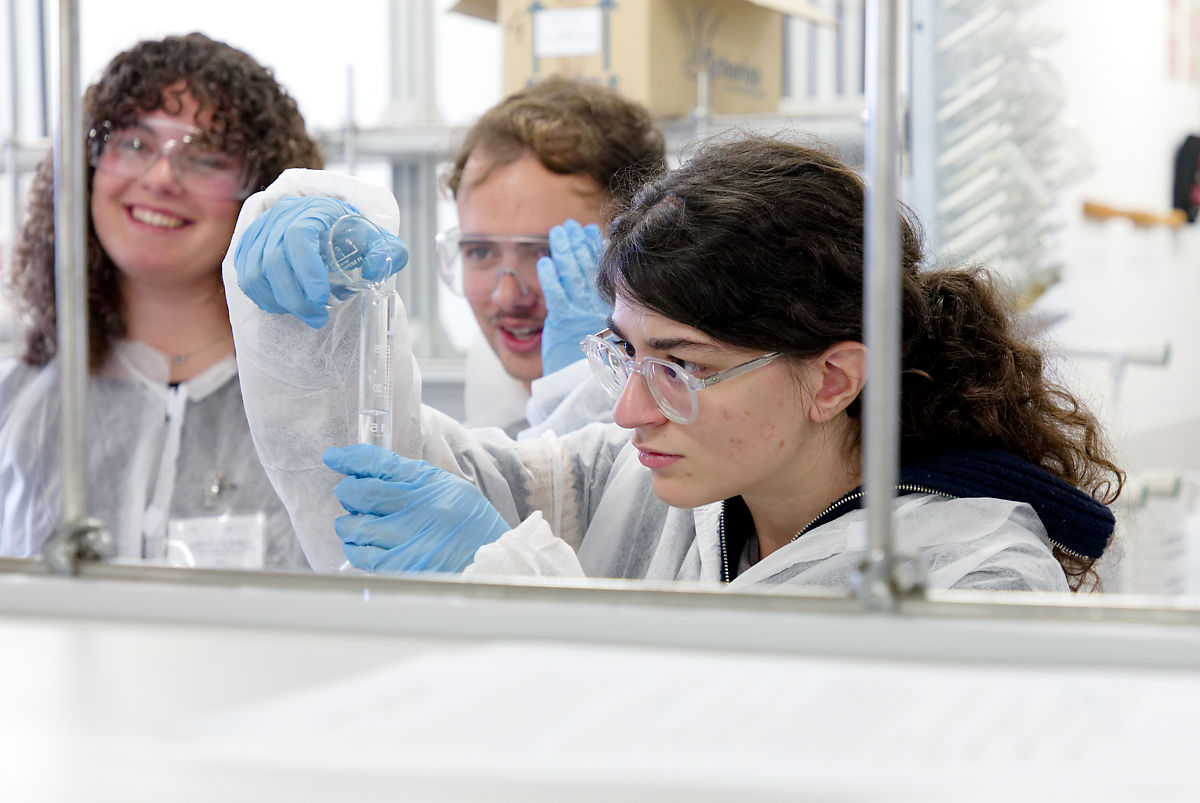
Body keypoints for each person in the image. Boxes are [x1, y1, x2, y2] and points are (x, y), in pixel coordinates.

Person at [227, 134, 1123, 590]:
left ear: (832, 379)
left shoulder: (970, 577)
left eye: (681, 365)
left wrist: (519, 583)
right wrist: (318, 327)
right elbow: (392, 486)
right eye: (626, 352)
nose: (626, 410)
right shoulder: (649, 489)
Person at [0, 33, 323, 569]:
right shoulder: (17, 404)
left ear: (260, 193)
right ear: (87, 169)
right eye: (134, 144)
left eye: (206, 157)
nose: (160, 178)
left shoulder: (313, 411)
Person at [439, 77, 668, 435]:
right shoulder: (489, 388)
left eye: (546, 253)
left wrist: (588, 393)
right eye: (480, 251)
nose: (507, 297)